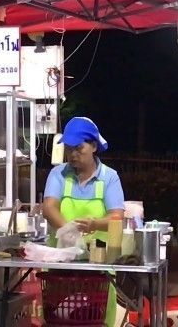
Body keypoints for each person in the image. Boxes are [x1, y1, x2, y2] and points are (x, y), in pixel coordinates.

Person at [42, 117, 125, 327]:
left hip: (99, 271)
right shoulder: (58, 174)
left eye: (79, 148)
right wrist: (70, 231)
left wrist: (95, 224)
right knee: (60, 320)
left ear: (94, 146)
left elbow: (117, 217)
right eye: (69, 149)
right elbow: (49, 207)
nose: (73, 155)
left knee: (96, 321)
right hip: (62, 269)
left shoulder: (109, 178)